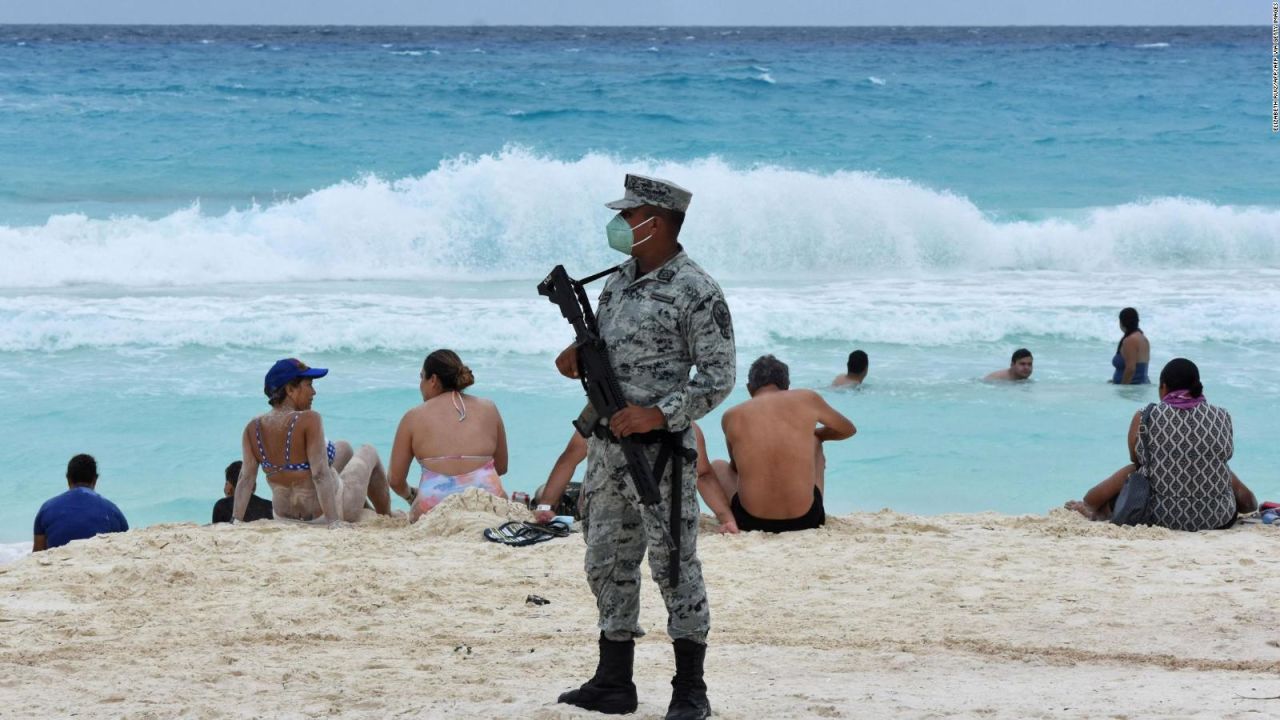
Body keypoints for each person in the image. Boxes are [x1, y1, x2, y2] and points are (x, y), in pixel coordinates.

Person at [552, 173, 735, 720]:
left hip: (659, 454)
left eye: (629, 216)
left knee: (675, 565)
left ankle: (690, 690)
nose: (620, 224)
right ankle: (614, 682)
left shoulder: (697, 290)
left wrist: (658, 414)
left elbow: (719, 377)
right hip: (607, 451)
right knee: (606, 560)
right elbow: (605, 358)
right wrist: (576, 360)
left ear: (656, 222)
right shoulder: (617, 281)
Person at [1066, 358, 1257, 530]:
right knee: (1217, 466)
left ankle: (1090, 504)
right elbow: (1225, 453)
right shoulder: (1222, 416)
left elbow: (1137, 459)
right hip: (1217, 518)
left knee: (1133, 469)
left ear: (1163, 387)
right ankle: (1251, 503)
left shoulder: (1145, 416)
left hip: (1161, 517)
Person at [234, 358, 391, 526]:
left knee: (343, 447)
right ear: (290, 389)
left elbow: (246, 478)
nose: (313, 392)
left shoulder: (253, 427)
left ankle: (367, 508)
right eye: (308, 385)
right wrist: (334, 521)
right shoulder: (309, 419)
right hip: (325, 512)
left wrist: (236, 520)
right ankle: (387, 515)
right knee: (368, 451)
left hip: (283, 515)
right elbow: (319, 474)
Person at [713, 355, 855, 533]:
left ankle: (729, 519)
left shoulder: (731, 415)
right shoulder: (807, 398)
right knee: (815, 442)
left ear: (750, 388)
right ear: (787, 386)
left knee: (718, 466)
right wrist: (814, 434)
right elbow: (847, 429)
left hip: (750, 521)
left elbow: (735, 469)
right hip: (807, 519)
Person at [534, 423, 740, 534]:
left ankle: (542, 504)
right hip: (666, 519)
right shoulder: (688, 427)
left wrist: (545, 506)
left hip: (607, 514)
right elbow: (703, 476)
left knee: (544, 492)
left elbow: (568, 460)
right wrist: (727, 520)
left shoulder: (603, 419)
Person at [387, 349, 509, 521]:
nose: (420, 385)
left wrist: (410, 496)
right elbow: (502, 467)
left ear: (434, 380)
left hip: (433, 507)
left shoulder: (412, 417)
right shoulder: (489, 408)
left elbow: (395, 480)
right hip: (489, 503)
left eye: (422, 377)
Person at [32, 454, 129, 552]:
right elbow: (125, 546)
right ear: (95, 479)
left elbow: (37, 553)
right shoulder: (112, 511)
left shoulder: (47, 509)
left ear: (68, 479)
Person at [1112, 307, 1150, 384]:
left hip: (1131, 389)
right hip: (1139, 387)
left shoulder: (1130, 340)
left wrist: (1123, 388)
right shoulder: (1144, 339)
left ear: (1122, 322)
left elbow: (1131, 369)